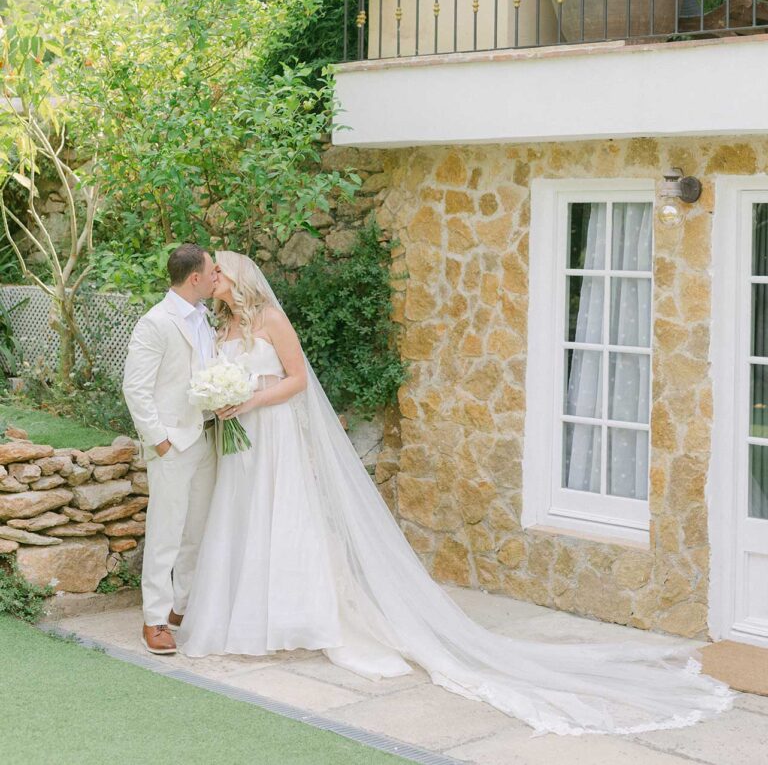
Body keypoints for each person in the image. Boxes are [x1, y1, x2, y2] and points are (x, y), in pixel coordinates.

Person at [178, 251, 732, 737]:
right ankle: (252, 618)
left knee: (290, 521)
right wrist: (220, 400)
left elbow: (298, 379)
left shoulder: (272, 318)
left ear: (241, 276)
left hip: (274, 435)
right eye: (213, 272)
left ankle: (308, 617)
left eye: (221, 270)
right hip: (242, 445)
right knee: (245, 523)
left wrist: (248, 402)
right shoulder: (221, 327)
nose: (216, 277)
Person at [123, 243, 218, 655]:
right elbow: (136, 389)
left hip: (209, 438)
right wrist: (159, 441)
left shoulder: (206, 319)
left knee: (197, 530)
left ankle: (181, 607)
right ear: (194, 277)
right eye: (212, 271)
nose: (217, 277)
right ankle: (155, 620)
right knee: (166, 532)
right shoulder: (155, 323)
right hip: (173, 444)